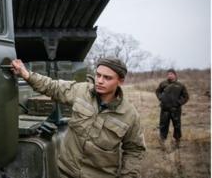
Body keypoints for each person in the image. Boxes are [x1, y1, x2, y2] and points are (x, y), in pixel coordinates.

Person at [11, 57, 146, 178]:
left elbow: (134, 150)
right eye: (98, 75)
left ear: (120, 81)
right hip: (65, 171)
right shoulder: (82, 91)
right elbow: (53, 87)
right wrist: (27, 75)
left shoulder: (129, 115)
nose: (100, 81)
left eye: (107, 78)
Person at [155, 69, 189, 149]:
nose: (169, 75)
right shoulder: (163, 83)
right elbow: (157, 92)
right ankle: (162, 143)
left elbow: (186, 97)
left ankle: (177, 142)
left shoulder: (180, 85)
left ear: (175, 75)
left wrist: (179, 103)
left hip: (175, 110)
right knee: (163, 126)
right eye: (168, 74)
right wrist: (161, 98)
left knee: (177, 126)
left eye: (171, 74)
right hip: (165, 110)